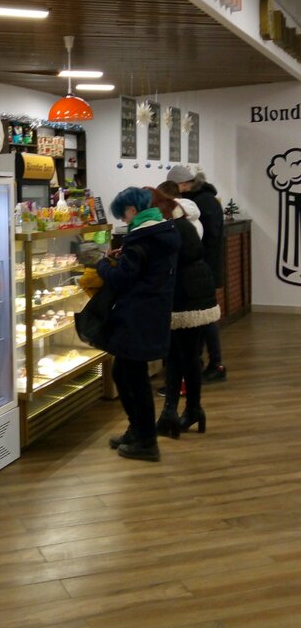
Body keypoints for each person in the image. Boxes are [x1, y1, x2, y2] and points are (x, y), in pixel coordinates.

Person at [96, 187, 180, 462]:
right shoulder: (162, 231)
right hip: (152, 312)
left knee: (133, 378)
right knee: (124, 373)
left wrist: (102, 265)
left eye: (123, 215)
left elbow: (122, 280)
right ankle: (138, 431)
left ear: (132, 210)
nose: (124, 220)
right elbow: (144, 269)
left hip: (136, 315)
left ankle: (146, 441)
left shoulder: (140, 238)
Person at [148, 188, 220, 437]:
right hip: (195, 292)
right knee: (181, 355)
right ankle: (179, 411)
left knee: (185, 356)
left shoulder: (172, 229)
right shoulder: (182, 223)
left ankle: (188, 409)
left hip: (187, 296)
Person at [166, 165, 227, 383]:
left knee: (205, 318)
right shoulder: (204, 200)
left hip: (201, 269)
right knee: (205, 318)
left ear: (183, 184)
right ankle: (202, 362)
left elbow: (207, 238)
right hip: (205, 268)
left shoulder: (199, 203)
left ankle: (213, 364)